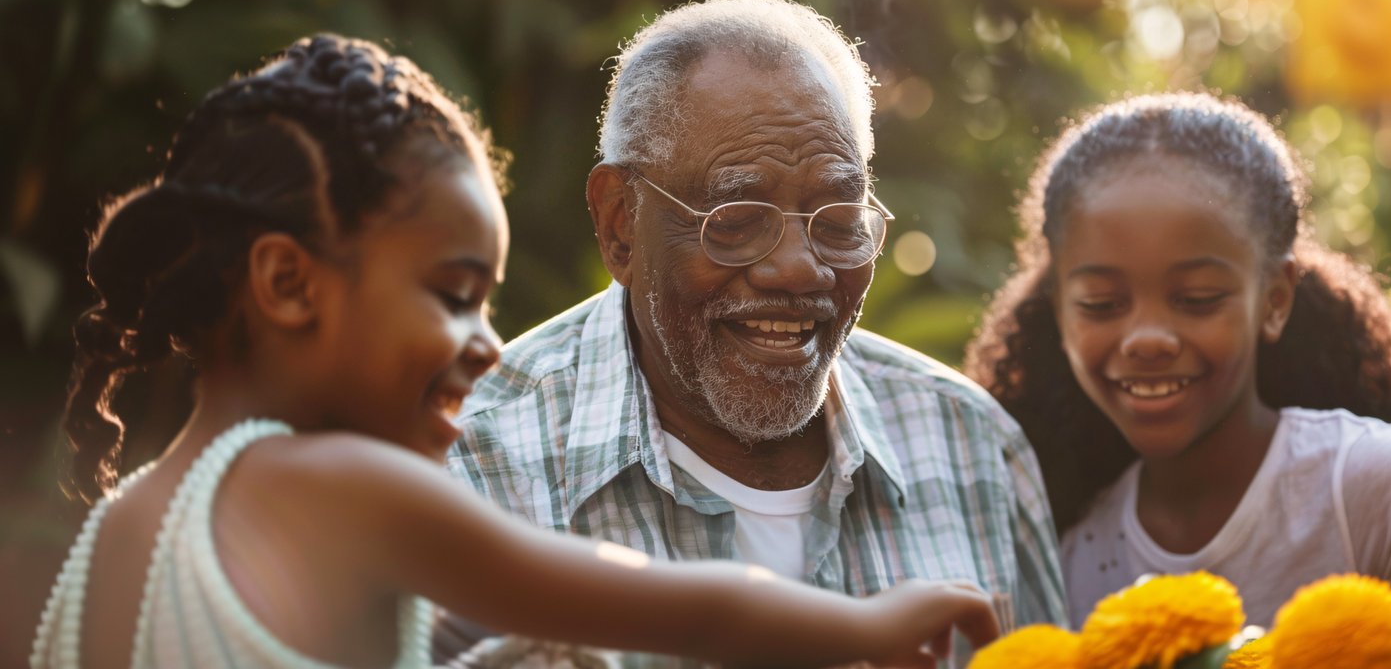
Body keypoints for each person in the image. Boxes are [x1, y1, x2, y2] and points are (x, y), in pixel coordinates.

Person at [31, 34, 1002, 669]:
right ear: (289, 283)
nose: (489, 345)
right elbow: (675, 607)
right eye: (454, 296)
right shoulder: (332, 485)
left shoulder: (120, 526)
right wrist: (869, 622)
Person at [449, 0, 1065, 666]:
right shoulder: (469, 468)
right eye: (736, 220)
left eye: (837, 220)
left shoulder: (971, 445)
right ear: (620, 224)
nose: (799, 270)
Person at [965, 92, 1391, 627]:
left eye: (1197, 298)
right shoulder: (1070, 562)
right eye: (1102, 305)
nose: (1147, 339)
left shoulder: (1383, 490)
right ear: (1059, 312)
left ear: (1274, 301)